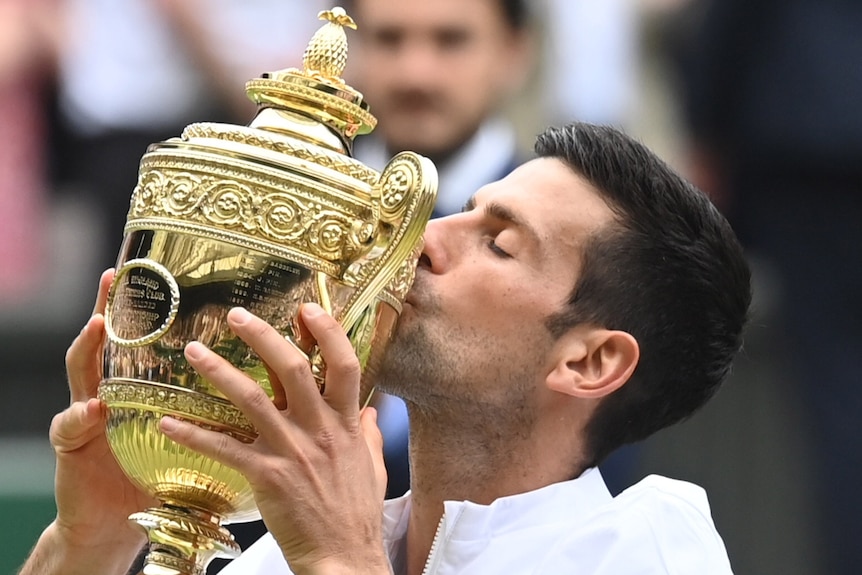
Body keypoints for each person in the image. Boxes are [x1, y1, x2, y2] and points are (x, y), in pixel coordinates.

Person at [19, 122, 751, 574]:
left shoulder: (644, 553)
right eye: (459, 213)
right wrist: (87, 545)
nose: (425, 241)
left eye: (497, 244)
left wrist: (340, 560)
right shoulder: (286, 550)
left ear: (590, 361)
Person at [339, 0, 534, 497]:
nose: (416, 73)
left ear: (514, 52)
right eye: (389, 39)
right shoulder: (280, 207)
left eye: (451, 40)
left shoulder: (570, 247)